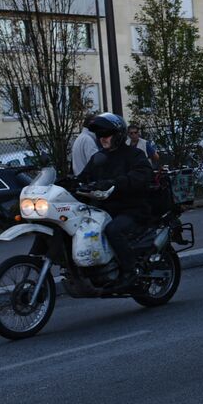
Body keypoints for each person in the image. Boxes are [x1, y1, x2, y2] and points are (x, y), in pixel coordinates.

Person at [78, 113, 157, 281]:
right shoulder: (98, 158)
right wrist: (64, 183)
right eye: (99, 135)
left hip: (132, 209)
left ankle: (130, 271)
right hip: (105, 210)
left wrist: (114, 182)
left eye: (106, 134)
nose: (102, 138)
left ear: (118, 135)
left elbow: (143, 175)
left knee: (113, 230)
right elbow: (83, 177)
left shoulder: (133, 155)